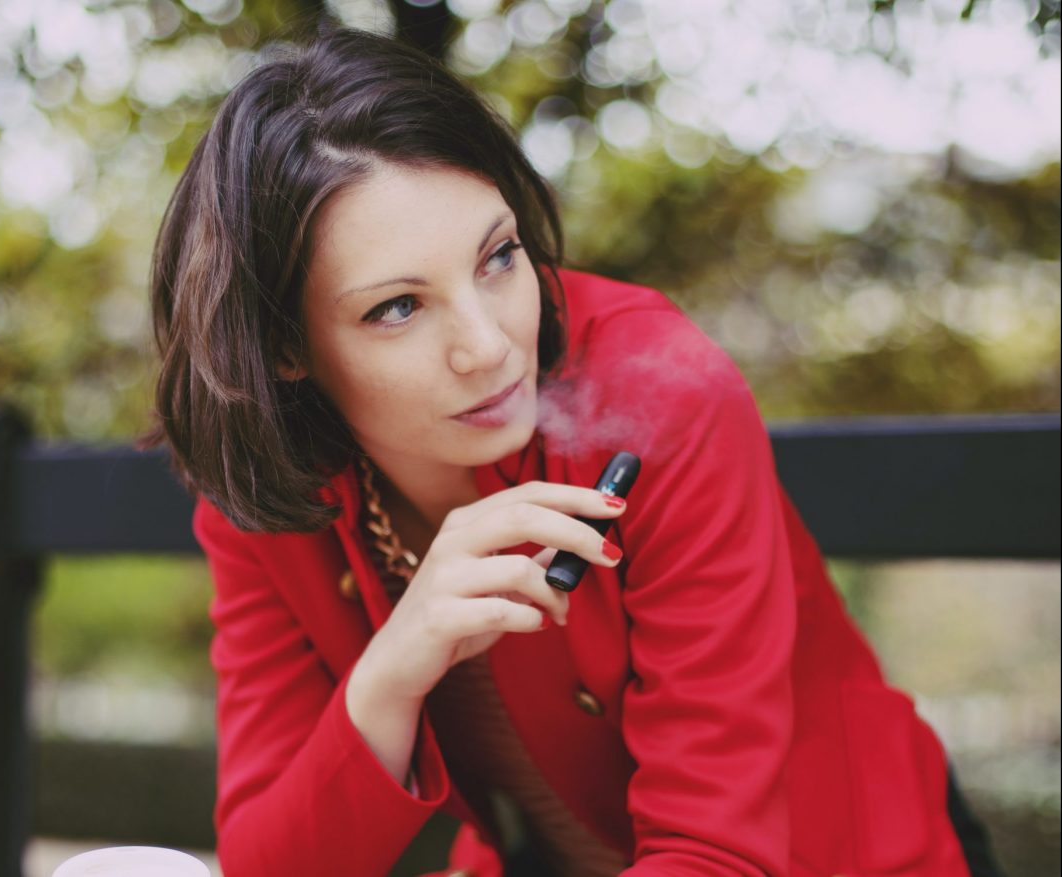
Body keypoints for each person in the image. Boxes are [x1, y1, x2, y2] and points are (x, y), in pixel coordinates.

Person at [140, 20, 1005, 877]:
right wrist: (393, 668)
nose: (489, 345)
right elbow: (267, 863)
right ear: (283, 348)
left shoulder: (663, 397)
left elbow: (715, 854)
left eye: (498, 256)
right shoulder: (271, 489)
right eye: (397, 307)